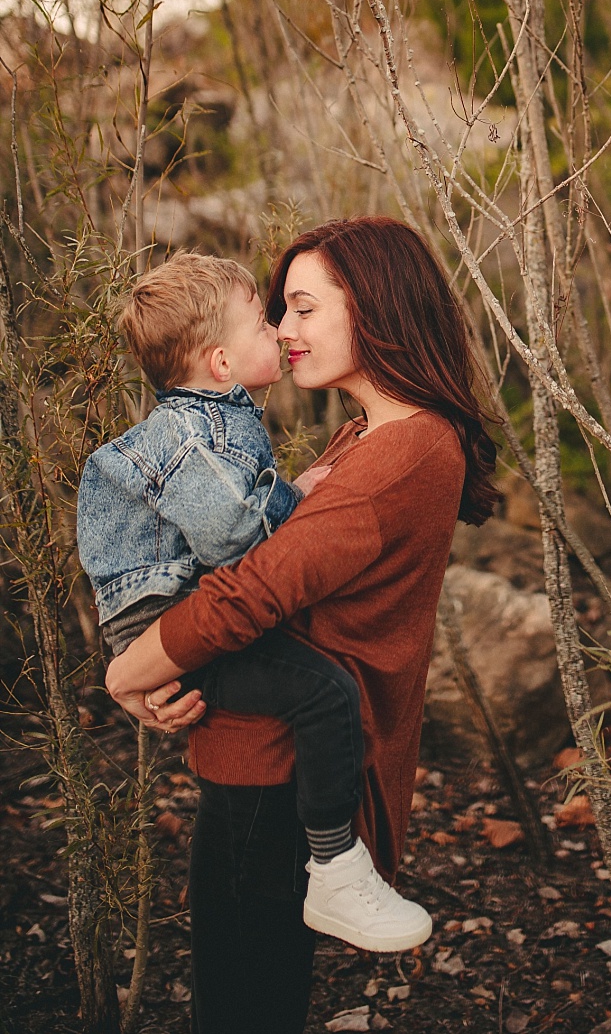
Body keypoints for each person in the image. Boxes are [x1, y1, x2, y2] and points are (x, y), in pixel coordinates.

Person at [105, 216, 504, 1030]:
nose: (284, 331)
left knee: (244, 1003)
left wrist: (127, 672)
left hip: (280, 772)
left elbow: (251, 592)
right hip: (262, 748)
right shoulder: (371, 436)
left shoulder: (406, 449)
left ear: (378, 308)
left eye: (304, 308)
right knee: (246, 989)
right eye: (280, 311)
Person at [79, 251, 428, 954]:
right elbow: (236, 531)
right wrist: (301, 497)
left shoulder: (214, 416)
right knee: (325, 694)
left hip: (176, 605)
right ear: (220, 364)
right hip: (162, 615)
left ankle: (332, 865)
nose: (277, 329)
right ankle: (335, 866)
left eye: (294, 312)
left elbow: (231, 505)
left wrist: (292, 488)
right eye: (265, 321)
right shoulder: (187, 436)